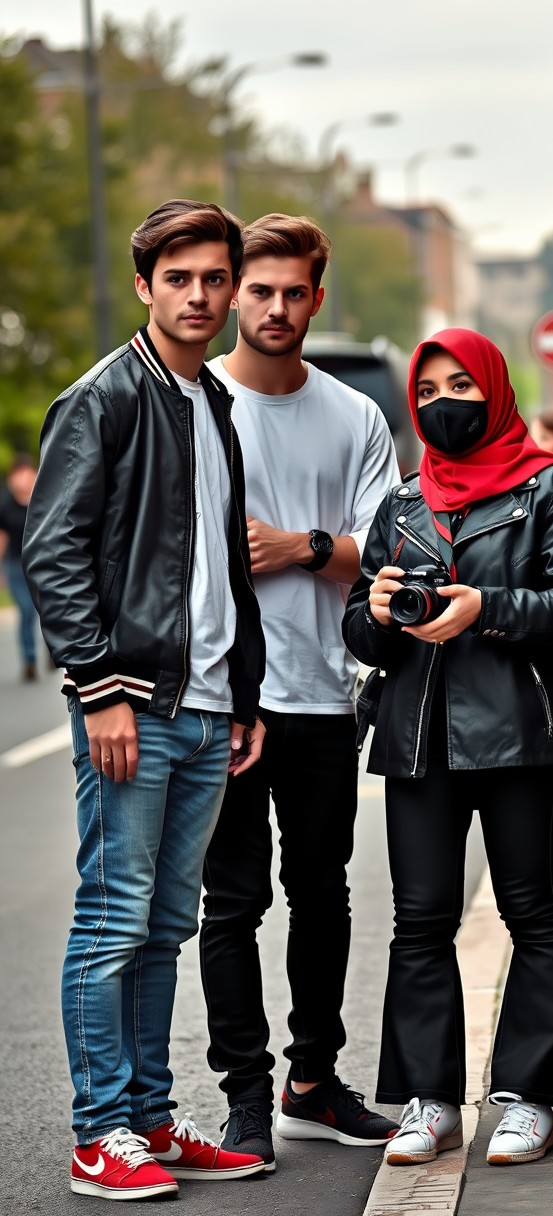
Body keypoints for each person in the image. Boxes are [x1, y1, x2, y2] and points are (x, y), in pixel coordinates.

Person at [22, 199, 269, 1201]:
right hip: (135, 705)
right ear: (145, 285)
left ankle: (150, 1117)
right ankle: (97, 1133)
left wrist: (240, 691)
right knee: (114, 920)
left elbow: (216, 564)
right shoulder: (104, 398)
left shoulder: (212, 400)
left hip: (205, 707)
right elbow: (54, 550)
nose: (200, 295)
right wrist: (97, 689)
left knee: (166, 923)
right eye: (181, 278)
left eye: (215, 278)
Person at [342, 328, 553, 1168]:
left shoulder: (547, 487)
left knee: (530, 912)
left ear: (493, 386)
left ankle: (530, 1100)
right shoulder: (401, 503)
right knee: (419, 922)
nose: (441, 402)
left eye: (459, 384)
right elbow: (361, 626)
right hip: (417, 737)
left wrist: (486, 605)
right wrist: (378, 612)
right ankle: (430, 1101)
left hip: (521, 734)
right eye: (426, 391)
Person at [198, 213, 401, 1168]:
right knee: (231, 903)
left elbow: (390, 553)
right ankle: (244, 1098)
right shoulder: (198, 407)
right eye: (261, 291)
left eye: (295, 293)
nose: (278, 308)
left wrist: (302, 547)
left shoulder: (355, 417)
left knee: (323, 897)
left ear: (318, 298)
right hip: (222, 698)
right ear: (237, 292)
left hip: (324, 694)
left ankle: (312, 1082)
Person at [0, 454, 40, 681]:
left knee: (46, 611)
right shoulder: (5, 506)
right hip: (15, 565)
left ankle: (53, 652)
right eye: (18, 474)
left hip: (40, 565)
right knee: (26, 611)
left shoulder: (43, 501)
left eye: (27, 473)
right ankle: (30, 660)